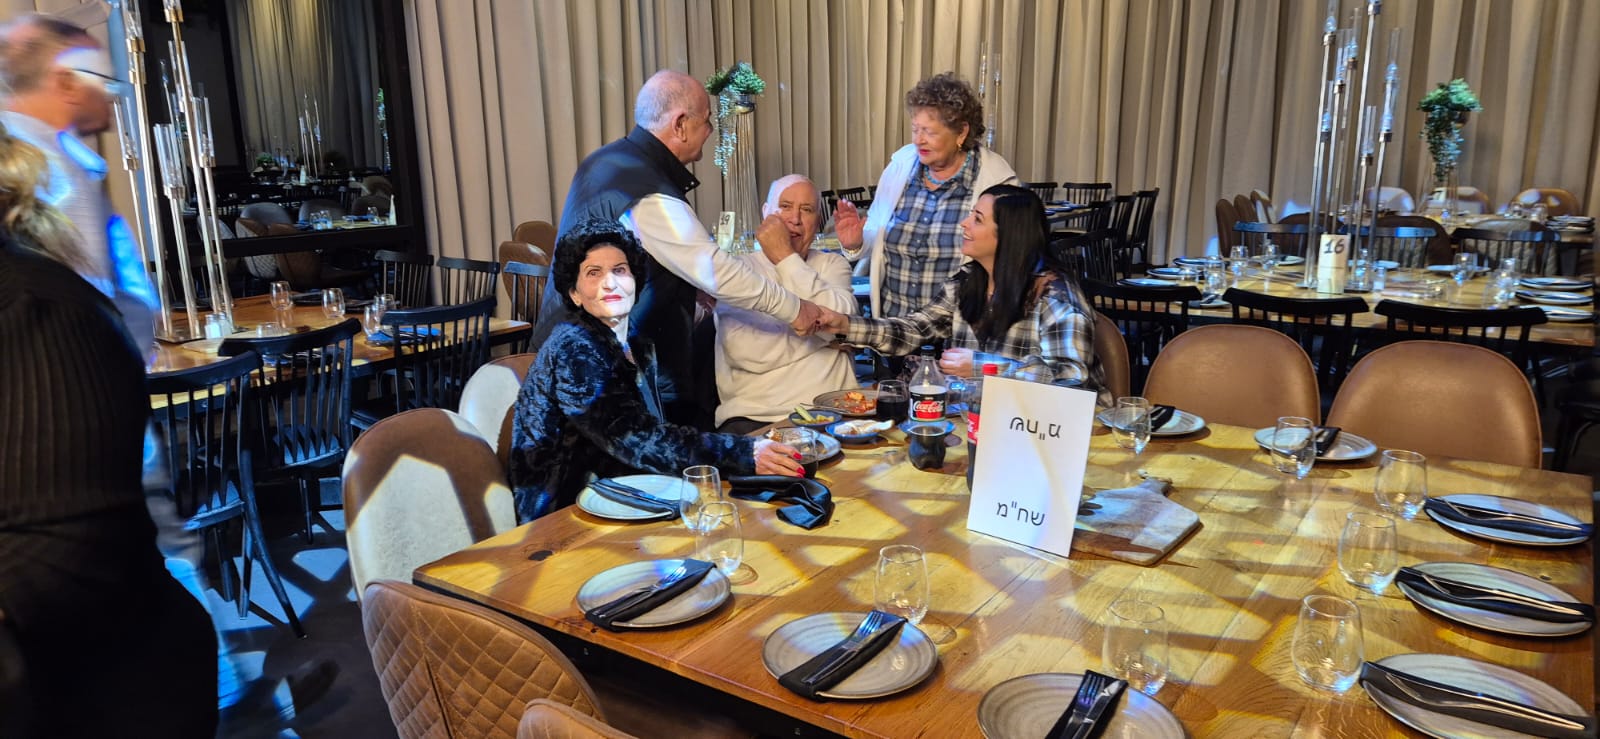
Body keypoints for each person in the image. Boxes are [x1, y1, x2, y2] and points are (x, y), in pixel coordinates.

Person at [0, 235, 216, 738]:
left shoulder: (39, 309)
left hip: (95, 692)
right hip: (154, 462)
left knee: (169, 536)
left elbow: (64, 548)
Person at [530, 69, 824, 428]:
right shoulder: (645, 188)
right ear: (681, 125)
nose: (711, 131)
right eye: (707, 121)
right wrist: (796, 309)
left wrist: (688, 286)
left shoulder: (611, 161)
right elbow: (715, 270)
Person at [511, 220, 806, 523]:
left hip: (625, 491)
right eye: (593, 273)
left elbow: (648, 436)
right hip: (561, 515)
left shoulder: (635, 343)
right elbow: (636, 439)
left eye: (619, 270)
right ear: (574, 292)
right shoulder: (574, 349)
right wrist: (741, 452)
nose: (609, 283)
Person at [821, 184, 1110, 408]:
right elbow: (912, 329)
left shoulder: (1056, 298)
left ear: (1008, 236)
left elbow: (1070, 382)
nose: (964, 223)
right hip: (985, 422)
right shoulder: (968, 282)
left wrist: (983, 367)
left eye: (977, 219)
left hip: (1057, 436)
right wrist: (844, 324)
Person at [836, 72, 1019, 322]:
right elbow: (877, 240)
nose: (919, 140)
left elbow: (1011, 261)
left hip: (960, 330)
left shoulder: (996, 181)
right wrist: (855, 243)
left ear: (961, 132)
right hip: (893, 328)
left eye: (930, 132)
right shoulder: (899, 168)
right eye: (915, 129)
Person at [713, 175, 859, 434]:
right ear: (766, 212)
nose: (795, 219)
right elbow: (746, 352)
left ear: (817, 221)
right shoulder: (738, 269)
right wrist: (828, 339)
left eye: (807, 209)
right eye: (785, 206)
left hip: (835, 411)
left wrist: (785, 258)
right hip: (758, 417)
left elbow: (844, 323)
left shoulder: (832, 264)